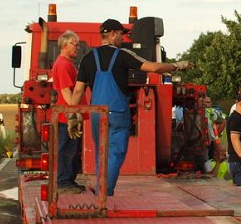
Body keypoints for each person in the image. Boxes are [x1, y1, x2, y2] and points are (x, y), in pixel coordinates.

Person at [70, 18, 190, 196]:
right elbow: (153, 68)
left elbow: (78, 90)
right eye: (120, 34)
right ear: (112, 34)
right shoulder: (123, 54)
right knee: (116, 152)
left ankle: (101, 186)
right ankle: (104, 189)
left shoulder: (87, 58)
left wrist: (73, 114)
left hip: (96, 113)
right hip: (116, 112)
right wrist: (176, 66)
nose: (123, 38)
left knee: (100, 152)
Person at [53, 30, 86, 193]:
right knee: (67, 148)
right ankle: (63, 182)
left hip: (68, 114)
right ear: (65, 45)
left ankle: (68, 180)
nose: (78, 47)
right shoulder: (64, 64)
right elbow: (66, 91)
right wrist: (72, 114)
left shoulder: (65, 63)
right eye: (75, 44)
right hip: (67, 116)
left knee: (71, 148)